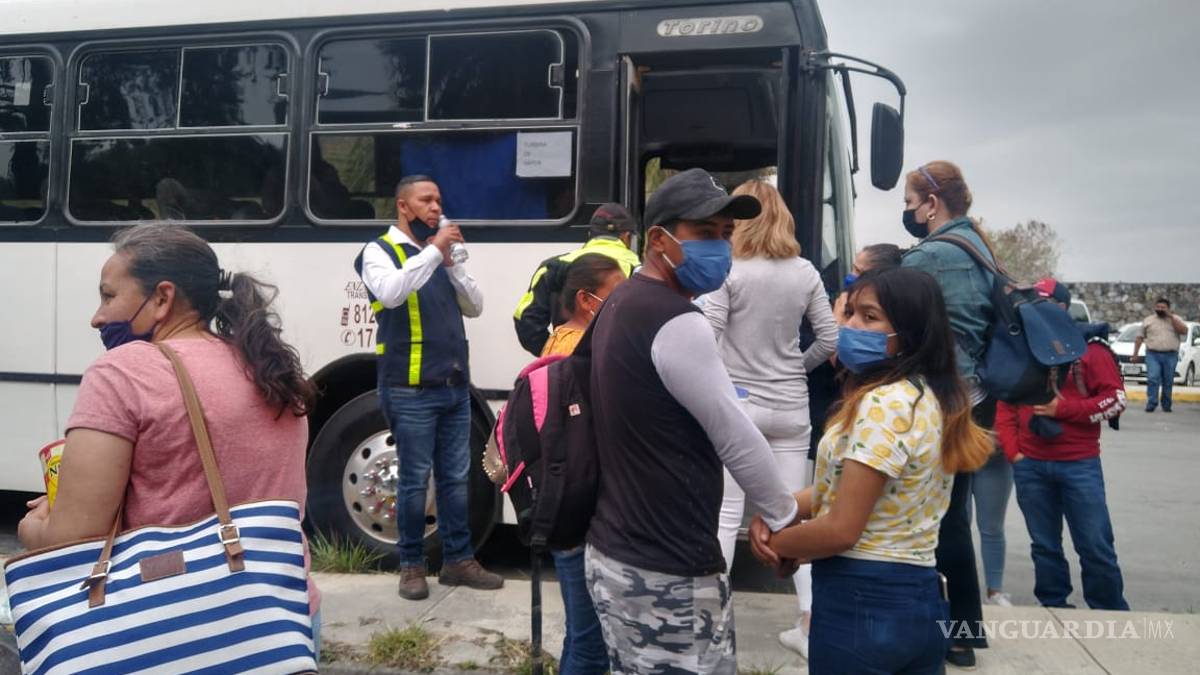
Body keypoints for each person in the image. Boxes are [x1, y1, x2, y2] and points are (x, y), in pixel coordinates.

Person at [17, 223, 323, 650]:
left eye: (108, 296)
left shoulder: (123, 372)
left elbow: (73, 545)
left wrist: (34, 529)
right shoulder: (270, 368)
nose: (97, 317)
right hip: (282, 622)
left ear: (162, 298)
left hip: (175, 629)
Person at [585, 168, 801, 673]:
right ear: (659, 240)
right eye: (705, 235)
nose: (721, 248)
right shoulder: (676, 321)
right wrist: (785, 517)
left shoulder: (620, 302)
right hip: (668, 568)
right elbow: (735, 434)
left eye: (726, 235)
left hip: (617, 551)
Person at [750, 266, 992, 675]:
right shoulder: (928, 396)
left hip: (862, 602)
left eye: (870, 317)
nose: (850, 326)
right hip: (918, 598)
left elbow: (843, 527)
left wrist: (781, 541)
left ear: (909, 332)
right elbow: (855, 487)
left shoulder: (884, 405)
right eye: (850, 313)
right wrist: (784, 508)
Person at [703, 179, 837, 659]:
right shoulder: (804, 272)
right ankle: (808, 623)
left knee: (725, 515)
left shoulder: (729, 272)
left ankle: (713, 619)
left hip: (738, 406)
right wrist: (791, 368)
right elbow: (830, 340)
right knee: (790, 514)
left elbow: (708, 336)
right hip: (790, 408)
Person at [354, 175, 502, 600]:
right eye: (427, 200)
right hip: (409, 387)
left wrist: (451, 263)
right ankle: (412, 567)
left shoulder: (438, 256)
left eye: (439, 199)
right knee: (414, 481)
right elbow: (392, 293)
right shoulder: (378, 252)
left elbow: (474, 307)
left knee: (456, 479)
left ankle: (458, 562)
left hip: (454, 386)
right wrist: (435, 251)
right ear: (403, 206)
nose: (437, 207)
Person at [899, 160, 995, 668]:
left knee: (934, 520)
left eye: (911, 203)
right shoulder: (980, 248)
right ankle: (964, 630)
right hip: (977, 399)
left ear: (932, 204)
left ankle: (947, 633)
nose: (909, 213)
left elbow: (890, 305)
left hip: (943, 399)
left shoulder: (932, 255)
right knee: (956, 518)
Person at [997, 278, 1130, 610]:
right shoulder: (1021, 348)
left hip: (1079, 464)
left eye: (1046, 302)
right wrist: (1015, 454)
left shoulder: (1092, 350)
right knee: (1043, 546)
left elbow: (1115, 400)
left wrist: (1065, 409)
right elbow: (1005, 404)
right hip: (1031, 465)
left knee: (1095, 545)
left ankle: (1110, 613)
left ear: (1062, 308)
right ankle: (1054, 607)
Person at [539, 254, 627, 675]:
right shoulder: (579, 349)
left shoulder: (559, 339)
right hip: (582, 509)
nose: (625, 299)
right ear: (587, 300)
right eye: (616, 292)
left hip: (567, 504)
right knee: (592, 643)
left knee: (580, 634)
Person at [513, 203, 641, 357]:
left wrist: (554, 351)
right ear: (626, 237)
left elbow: (526, 321)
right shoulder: (639, 271)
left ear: (590, 235)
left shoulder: (551, 267)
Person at [1130, 297, 1188, 413]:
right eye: (1158, 307)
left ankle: (1166, 404)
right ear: (1155, 308)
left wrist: (1171, 317)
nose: (1160, 309)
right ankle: (1151, 403)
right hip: (1152, 354)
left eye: (1163, 308)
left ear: (1168, 308)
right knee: (1152, 378)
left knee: (1168, 380)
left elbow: (1184, 331)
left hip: (1170, 355)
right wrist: (1135, 354)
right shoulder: (1148, 320)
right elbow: (1139, 337)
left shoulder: (1175, 319)